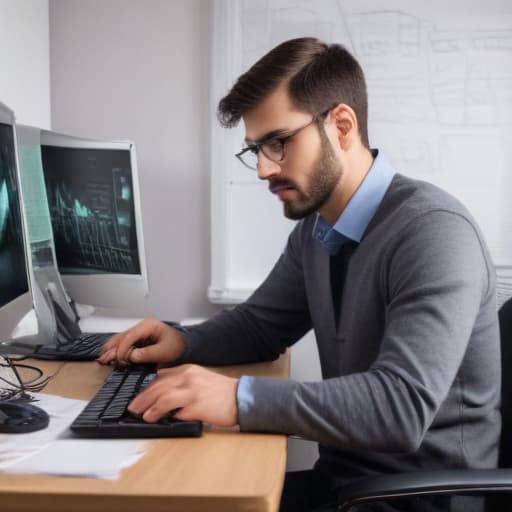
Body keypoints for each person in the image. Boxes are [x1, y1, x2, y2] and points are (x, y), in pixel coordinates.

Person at [98, 38, 501, 511]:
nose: (264, 168)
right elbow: (262, 326)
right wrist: (184, 341)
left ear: (343, 125)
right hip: (348, 484)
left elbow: (401, 407)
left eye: (279, 143)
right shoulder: (318, 227)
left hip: (418, 499)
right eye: (256, 149)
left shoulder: (433, 233)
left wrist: (239, 398)